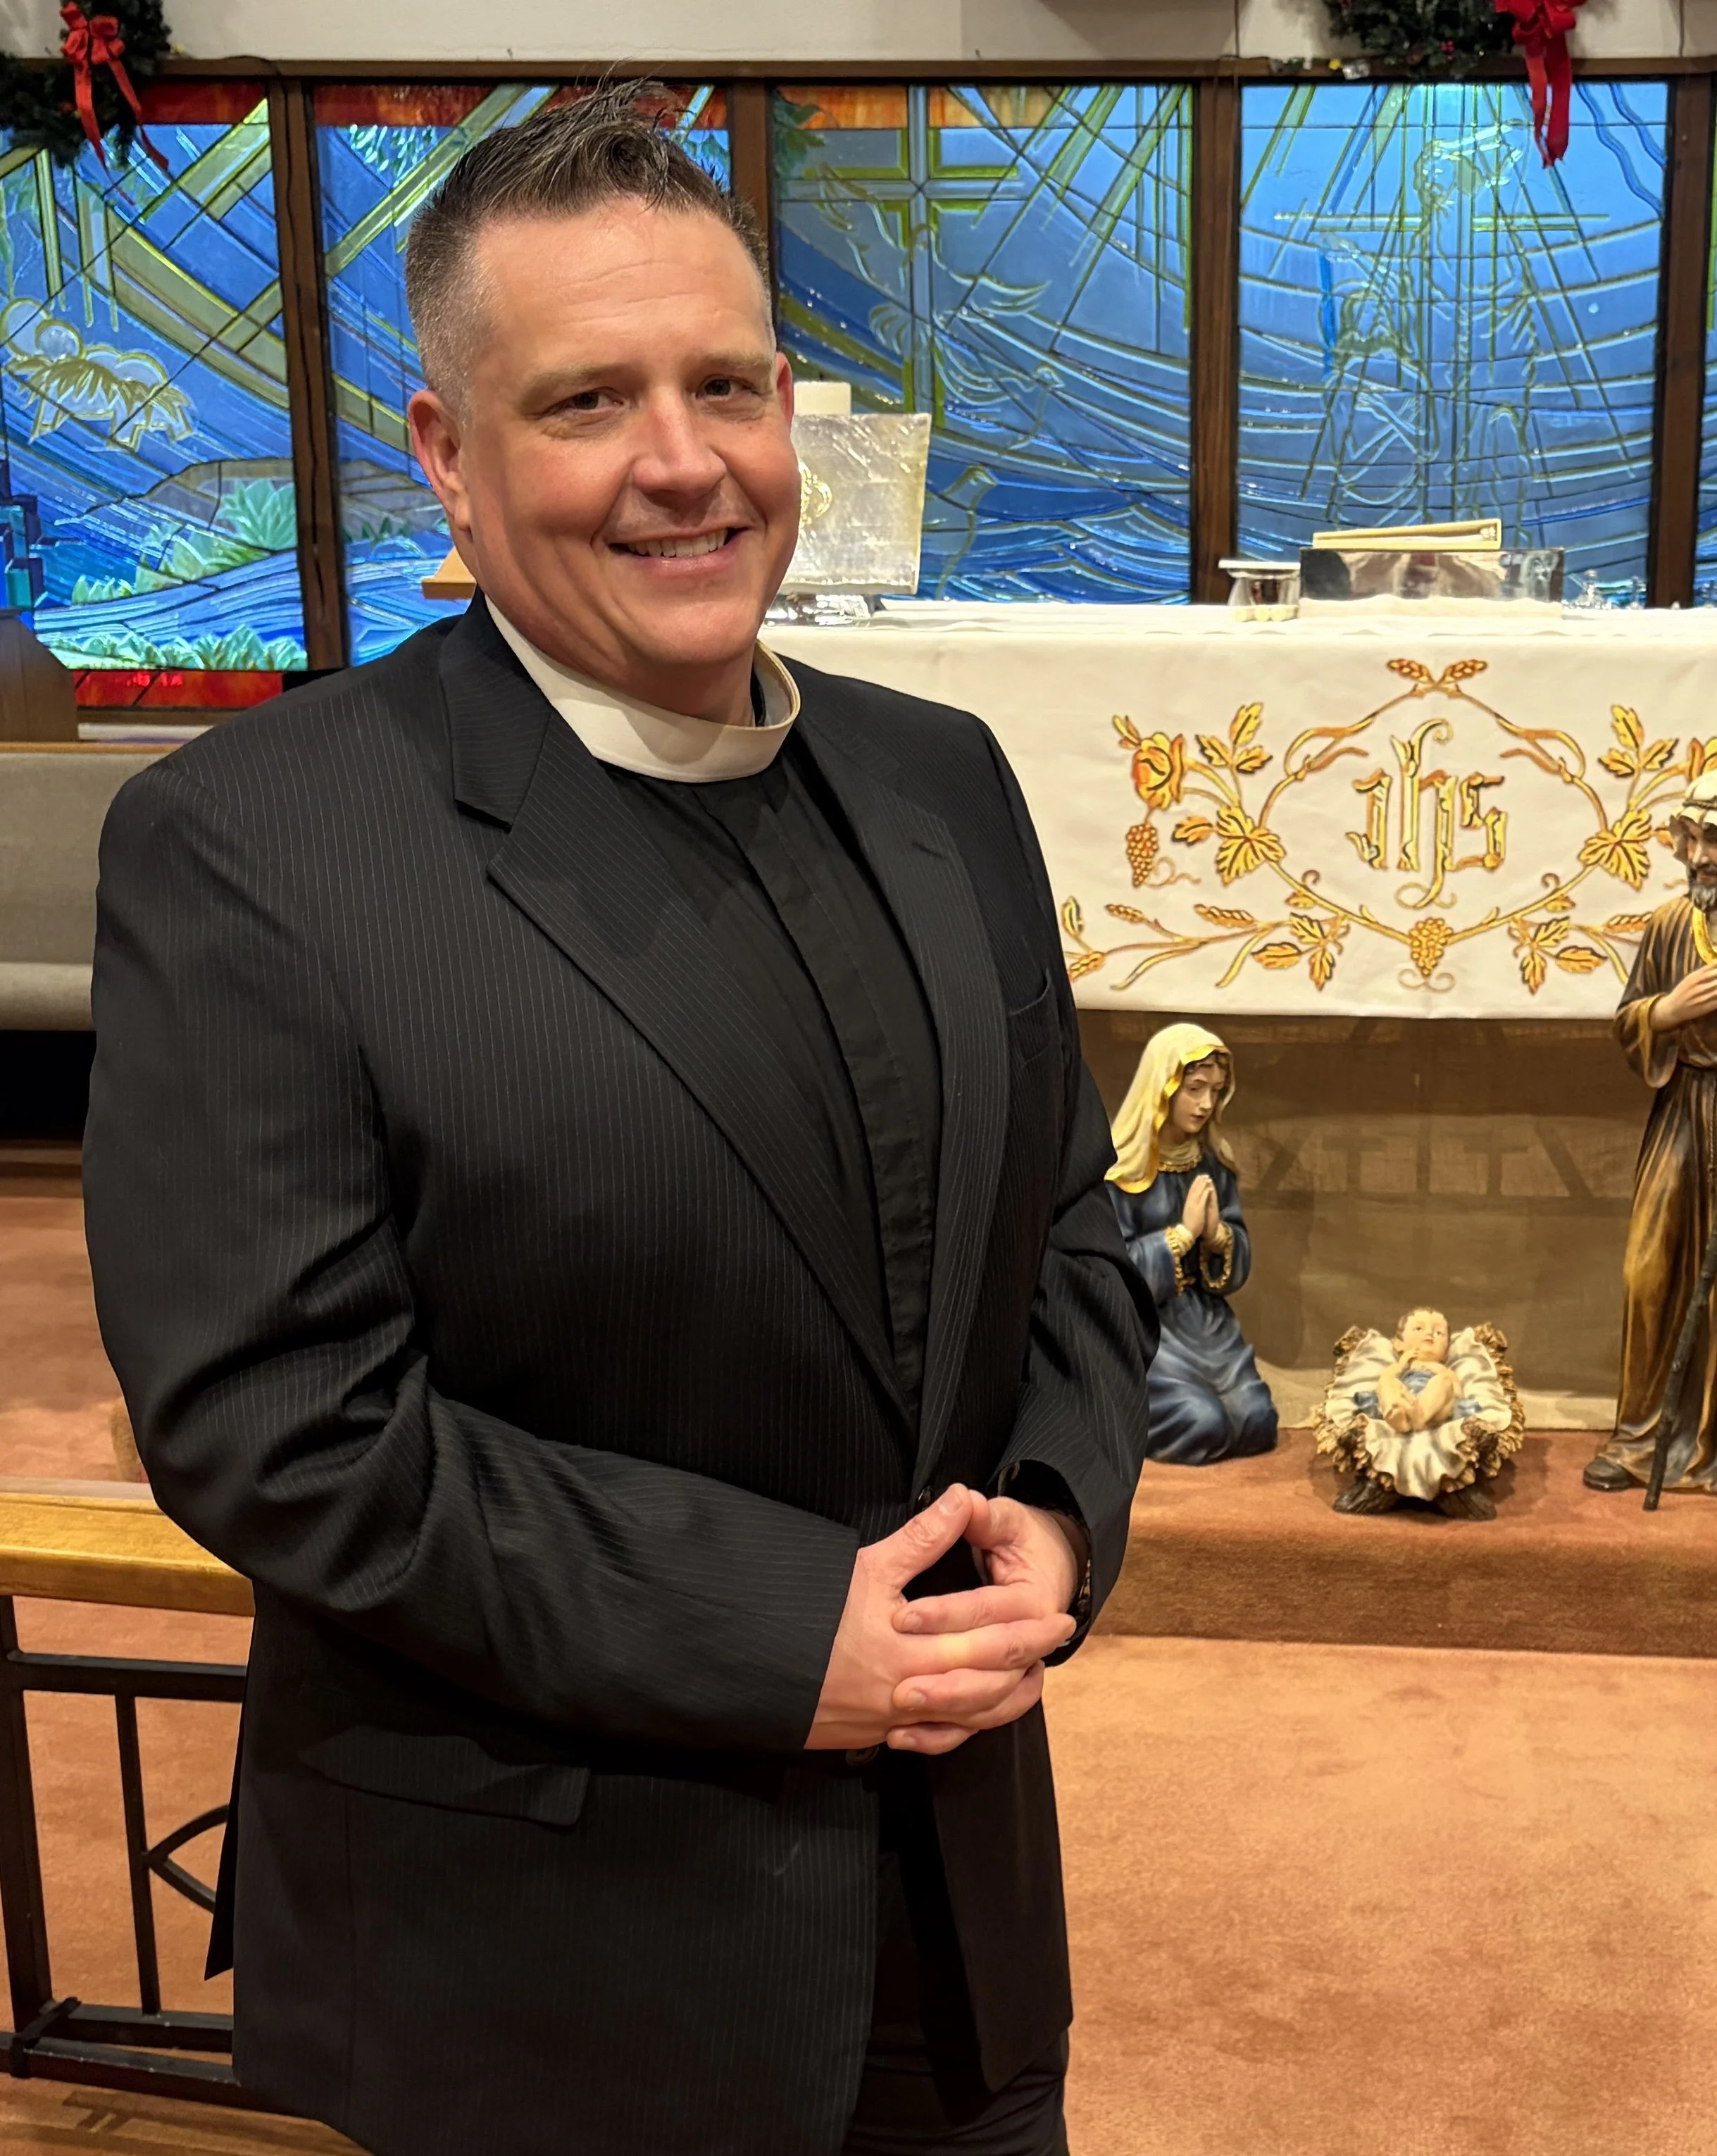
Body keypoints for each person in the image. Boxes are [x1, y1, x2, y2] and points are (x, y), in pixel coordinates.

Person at [80, 88, 1156, 2156]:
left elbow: (1076, 1216)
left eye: (725, 385)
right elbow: (281, 1429)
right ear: (447, 460)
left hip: (954, 1906)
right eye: (585, 400)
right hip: (547, 1962)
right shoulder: (259, 844)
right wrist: (777, 1635)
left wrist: (1051, 1502)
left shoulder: (940, 782)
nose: (684, 463)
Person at [1586, 768, 1717, 1495]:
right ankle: (1641, 1437)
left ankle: (1708, 1443)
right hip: (1681, 1117)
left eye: (1714, 839)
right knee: (1647, 1273)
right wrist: (1664, 1013)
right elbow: (1627, 1016)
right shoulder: (1669, 924)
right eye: (1690, 839)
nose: (1701, 856)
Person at [1104, 1023, 1275, 1465]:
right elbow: (1109, 1274)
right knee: (1203, 1423)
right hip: (1147, 1333)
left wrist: (1218, 1235)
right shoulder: (1120, 1175)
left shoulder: (1214, 1166)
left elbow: (1233, 1267)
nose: (1206, 1104)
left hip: (1205, 1325)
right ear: (1161, 1089)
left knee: (1256, 1420)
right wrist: (1181, 1236)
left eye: (1216, 1092)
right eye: (1195, 1088)